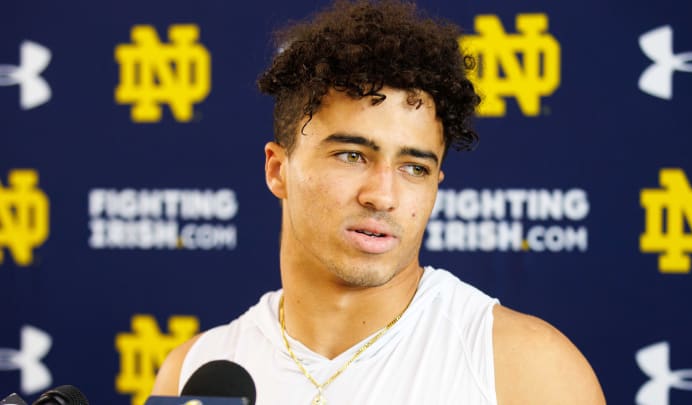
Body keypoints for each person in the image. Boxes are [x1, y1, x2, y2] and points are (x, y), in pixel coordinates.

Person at [152, 1, 606, 403]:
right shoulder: (193, 373)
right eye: (352, 156)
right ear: (277, 169)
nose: (383, 195)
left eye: (415, 167)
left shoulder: (528, 370)